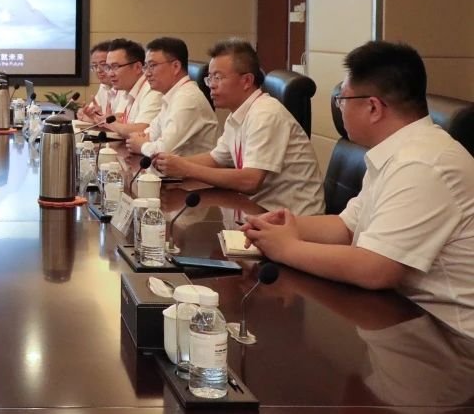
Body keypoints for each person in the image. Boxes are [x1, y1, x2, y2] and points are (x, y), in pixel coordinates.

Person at [244, 41, 474, 338]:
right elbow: (346, 226)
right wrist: (281, 226)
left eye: (342, 99)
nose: (339, 108)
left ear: (373, 107)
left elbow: (376, 269)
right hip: (403, 318)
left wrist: (288, 248)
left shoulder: (424, 164)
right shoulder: (398, 152)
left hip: (452, 340)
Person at [152, 39, 324, 216]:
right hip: (255, 211)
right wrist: (169, 165)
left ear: (247, 81)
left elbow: (250, 181)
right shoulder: (237, 115)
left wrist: (186, 168)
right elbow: (216, 159)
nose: (211, 85)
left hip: (294, 220)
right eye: (209, 78)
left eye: (218, 77)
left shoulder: (265, 114)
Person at [127, 37, 218, 157]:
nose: (147, 73)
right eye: (146, 66)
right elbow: (150, 134)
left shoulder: (187, 98)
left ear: (176, 66)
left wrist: (142, 146)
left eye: (152, 66)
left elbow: (164, 151)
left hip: (189, 169)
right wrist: (143, 141)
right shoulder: (172, 95)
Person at [103, 38, 162, 137]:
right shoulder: (125, 88)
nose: (110, 74)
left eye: (115, 67)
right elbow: (119, 121)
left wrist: (110, 123)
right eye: (108, 67)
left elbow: (141, 131)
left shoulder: (153, 90)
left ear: (138, 67)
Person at [77, 40, 117, 124]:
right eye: (95, 66)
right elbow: (94, 115)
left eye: (103, 65)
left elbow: (119, 122)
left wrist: (98, 120)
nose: (98, 70)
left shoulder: (123, 88)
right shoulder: (103, 86)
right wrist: (85, 114)